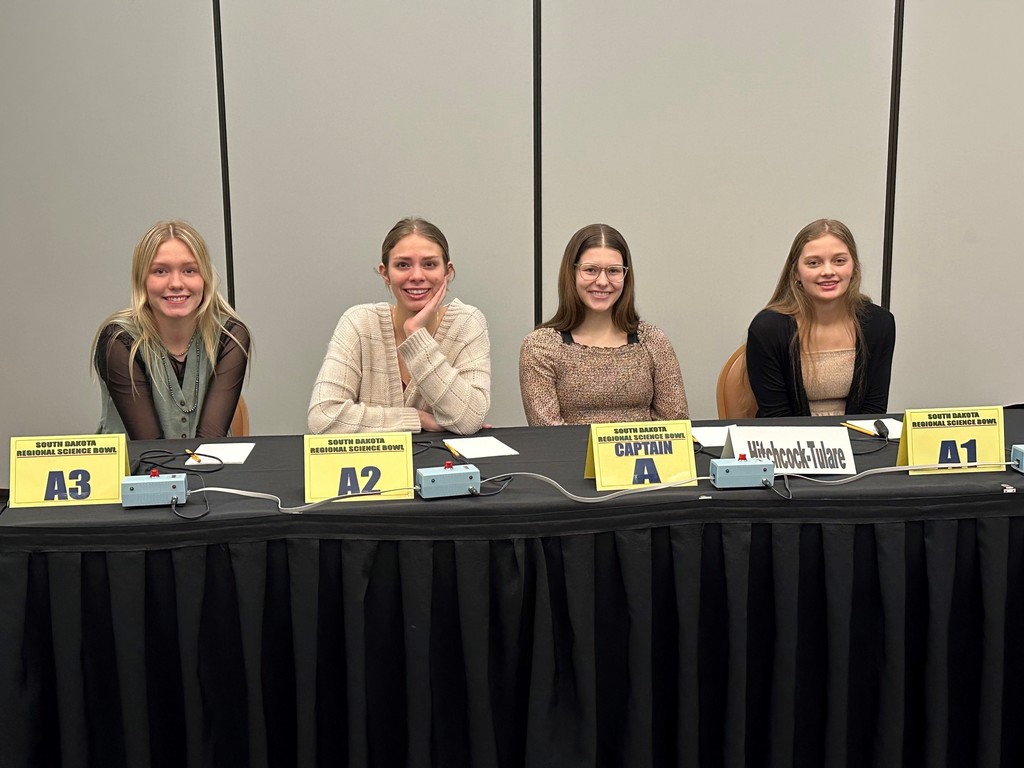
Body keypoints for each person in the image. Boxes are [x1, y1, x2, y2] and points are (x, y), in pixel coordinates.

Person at [308, 217, 490, 434]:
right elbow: (323, 418)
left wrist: (415, 335)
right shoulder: (359, 322)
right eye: (403, 265)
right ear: (385, 273)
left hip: (441, 465)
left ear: (447, 273)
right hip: (373, 465)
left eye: (429, 264)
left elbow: (469, 419)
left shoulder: (467, 322)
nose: (416, 276)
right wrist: (417, 419)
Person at [92, 220, 251, 439]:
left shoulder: (230, 336)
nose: (176, 283)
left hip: (210, 469)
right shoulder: (118, 341)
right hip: (133, 471)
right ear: (142, 280)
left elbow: (210, 444)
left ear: (204, 277)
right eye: (160, 271)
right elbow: (150, 449)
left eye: (189, 270)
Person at [519, 223, 688, 426]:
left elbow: (675, 425)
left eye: (614, 271)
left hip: (645, 457)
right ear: (571, 274)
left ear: (625, 276)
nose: (602, 281)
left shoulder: (652, 340)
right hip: (573, 457)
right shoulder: (540, 347)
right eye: (590, 270)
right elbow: (549, 434)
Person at [745, 218, 896, 417]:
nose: (827, 272)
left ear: (854, 268)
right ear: (796, 273)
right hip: (789, 443)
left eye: (839, 261)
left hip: (858, 443)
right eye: (814, 263)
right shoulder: (767, 329)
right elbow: (777, 418)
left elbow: (873, 411)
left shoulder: (879, 324)